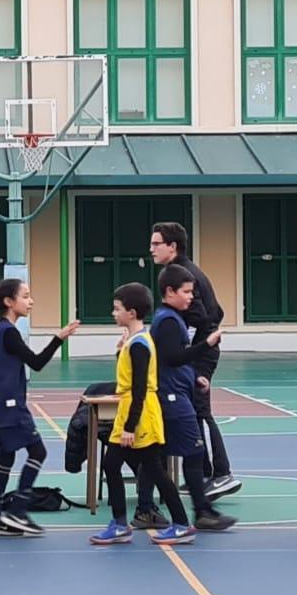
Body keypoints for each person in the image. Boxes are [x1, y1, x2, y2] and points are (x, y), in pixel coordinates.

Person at [92, 283, 194, 546]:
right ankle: (119, 524)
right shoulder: (132, 342)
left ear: (132, 312)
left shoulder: (140, 345)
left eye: (117, 309)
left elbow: (138, 389)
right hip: (132, 410)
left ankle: (180, 524)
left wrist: (129, 426)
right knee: (114, 465)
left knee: (154, 470)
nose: (113, 313)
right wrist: (119, 351)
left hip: (140, 414)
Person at [0, 278, 80, 536]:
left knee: (6, 457)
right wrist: (59, 338)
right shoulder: (9, 332)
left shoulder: (3, 329)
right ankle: (17, 511)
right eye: (25, 296)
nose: (31, 301)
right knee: (38, 452)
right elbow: (36, 362)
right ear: (9, 302)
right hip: (9, 404)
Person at [149, 222, 238, 499]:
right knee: (194, 410)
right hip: (201, 349)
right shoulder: (182, 271)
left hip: (201, 353)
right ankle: (203, 472)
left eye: (156, 244)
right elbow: (217, 311)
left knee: (201, 409)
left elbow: (205, 316)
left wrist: (189, 343)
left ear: (172, 247)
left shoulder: (184, 276)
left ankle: (222, 473)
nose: (151, 249)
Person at [144, 265, 235, 531]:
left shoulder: (171, 319)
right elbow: (173, 357)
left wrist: (194, 377)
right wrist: (205, 346)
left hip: (177, 390)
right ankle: (200, 511)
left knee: (158, 455)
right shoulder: (170, 321)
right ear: (169, 292)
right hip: (172, 397)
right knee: (192, 451)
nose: (190, 297)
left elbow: (170, 359)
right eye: (185, 292)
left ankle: (152, 507)